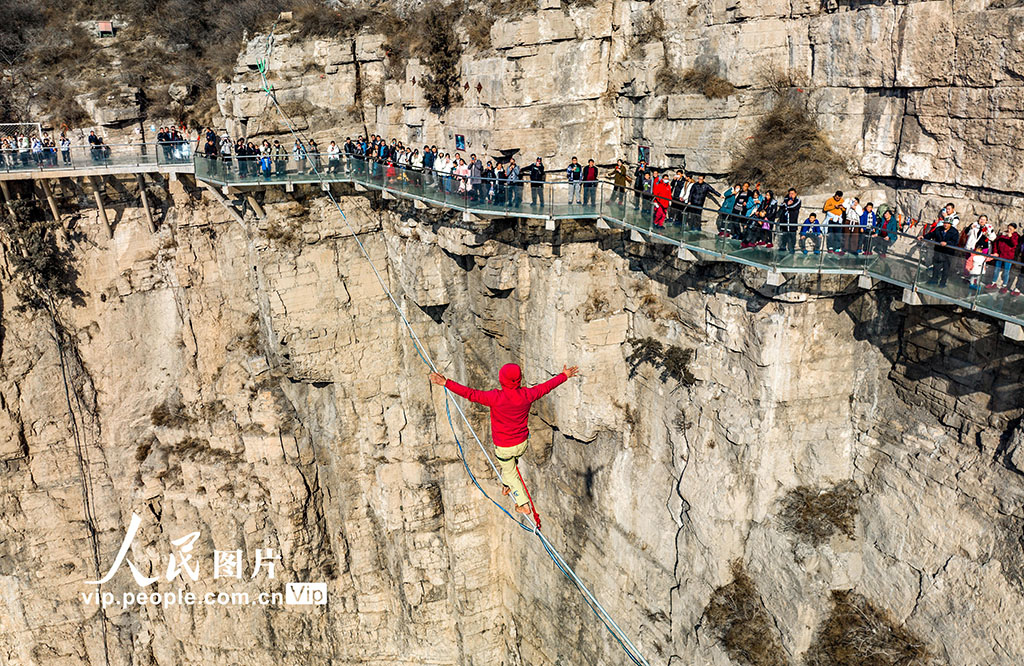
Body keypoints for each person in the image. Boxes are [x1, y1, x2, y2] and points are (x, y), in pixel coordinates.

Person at [429, 363, 579, 515]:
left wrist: (445, 382)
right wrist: (564, 375)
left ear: (501, 379)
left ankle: (523, 504)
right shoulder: (527, 394)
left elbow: (470, 393)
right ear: (519, 379)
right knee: (509, 466)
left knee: (511, 472)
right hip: (522, 444)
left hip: (504, 448)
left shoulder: (495, 397)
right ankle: (506, 485)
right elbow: (546, 387)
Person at [922, 216, 960, 288]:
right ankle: (934, 279)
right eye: (945, 223)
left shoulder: (954, 232)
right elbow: (931, 234)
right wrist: (924, 237)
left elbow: (955, 242)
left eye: (947, 223)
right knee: (936, 266)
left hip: (948, 253)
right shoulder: (939, 229)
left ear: (950, 224)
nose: (945, 224)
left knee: (946, 268)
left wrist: (947, 243)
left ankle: (943, 282)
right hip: (938, 251)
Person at [987, 223, 1019, 292]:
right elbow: (996, 242)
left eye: (1011, 229)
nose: (1009, 230)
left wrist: (1010, 237)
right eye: (1008, 228)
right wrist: (995, 252)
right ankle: (993, 283)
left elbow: (1014, 244)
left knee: (1006, 271)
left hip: (1008, 257)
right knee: (996, 269)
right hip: (1000, 255)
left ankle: (1004, 286)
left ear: (1014, 229)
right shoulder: (1003, 234)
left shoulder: (1015, 236)